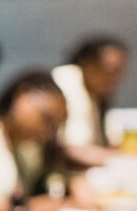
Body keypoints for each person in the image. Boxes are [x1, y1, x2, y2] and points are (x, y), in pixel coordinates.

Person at [0, 70, 72, 211]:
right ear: (23, 95)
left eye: (55, 127)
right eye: (46, 119)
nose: (47, 132)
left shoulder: (25, 147)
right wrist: (34, 207)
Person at [51, 36, 129, 167]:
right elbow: (72, 150)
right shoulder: (67, 81)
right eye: (108, 70)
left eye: (119, 72)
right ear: (85, 63)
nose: (113, 79)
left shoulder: (96, 92)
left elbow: (111, 141)